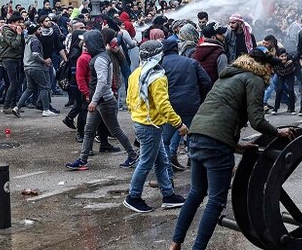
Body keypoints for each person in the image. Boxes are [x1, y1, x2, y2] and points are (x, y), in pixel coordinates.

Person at [163, 47, 295, 250]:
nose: (272, 73)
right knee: (215, 200)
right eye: (271, 68)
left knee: (195, 194)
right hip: (215, 144)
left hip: (196, 136)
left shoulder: (228, 76)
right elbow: (256, 119)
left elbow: (220, 112)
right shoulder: (254, 79)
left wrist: (236, 145)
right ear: (265, 67)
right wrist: (278, 132)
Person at [123, 40, 188, 213]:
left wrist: (139, 114)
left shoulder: (136, 73)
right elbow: (163, 105)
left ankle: (168, 195)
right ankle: (133, 197)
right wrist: (179, 124)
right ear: (158, 56)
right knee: (145, 162)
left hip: (142, 122)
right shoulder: (157, 76)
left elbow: (129, 100)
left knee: (161, 161)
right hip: (150, 125)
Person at [65, 30, 138, 171]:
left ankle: (133, 156)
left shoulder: (99, 59)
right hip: (101, 101)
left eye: (86, 42)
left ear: (92, 43)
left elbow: (103, 82)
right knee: (89, 130)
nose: (84, 44)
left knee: (114, 130)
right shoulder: (100, 57)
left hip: (103, 101)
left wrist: (93, 101)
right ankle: (82, 159)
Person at [160, 38, 212, 172]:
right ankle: (195, 166)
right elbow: (206, 82)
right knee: (192, 136)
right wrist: (199, 98)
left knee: (165, 140)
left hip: (170, 107)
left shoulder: (160, 65)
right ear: (177, 49)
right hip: (191, 105)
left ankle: (167, 169)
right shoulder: (191, 62)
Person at [10, 24, 57, 117]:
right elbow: (35, 55)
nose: (41, 31)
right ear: (35, 31)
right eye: (39, 29)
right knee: (45, 87)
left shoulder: (28, 40)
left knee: (29, 89)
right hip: (36, 67)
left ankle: (17, 107)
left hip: (27, 67)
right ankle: (46, 109)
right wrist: (45, 61)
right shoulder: (35, 41)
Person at [0, 14, 25, 113]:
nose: (21, 24)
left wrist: (20, 33)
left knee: (16, 83)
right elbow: (14, 44)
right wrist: (18, 34)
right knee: (12, 83)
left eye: (22, 22)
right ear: (13, 23)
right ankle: (6, 106)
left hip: (17, 58)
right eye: (19, 22)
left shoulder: (17, 31)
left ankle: (13, 105)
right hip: (9, 59)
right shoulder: (7, 31)